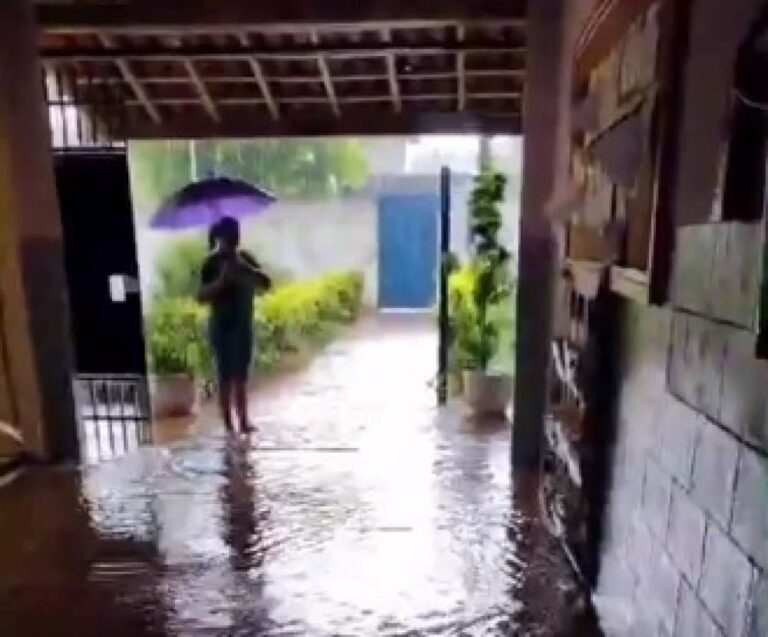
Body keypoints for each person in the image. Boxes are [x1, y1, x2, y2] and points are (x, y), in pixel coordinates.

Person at [198, 217, 271, 433]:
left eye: (236, 234)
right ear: (220, 236)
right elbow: (201, 296)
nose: (234, 239)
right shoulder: (211, 264)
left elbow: (266, 283)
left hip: (242, 325)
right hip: (221, 327)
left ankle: (244, 420)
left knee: (241, 376)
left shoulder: (245, 260)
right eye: (230, 234)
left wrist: (245, 269)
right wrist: (221, 282)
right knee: (225, 377)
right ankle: (228, 424)